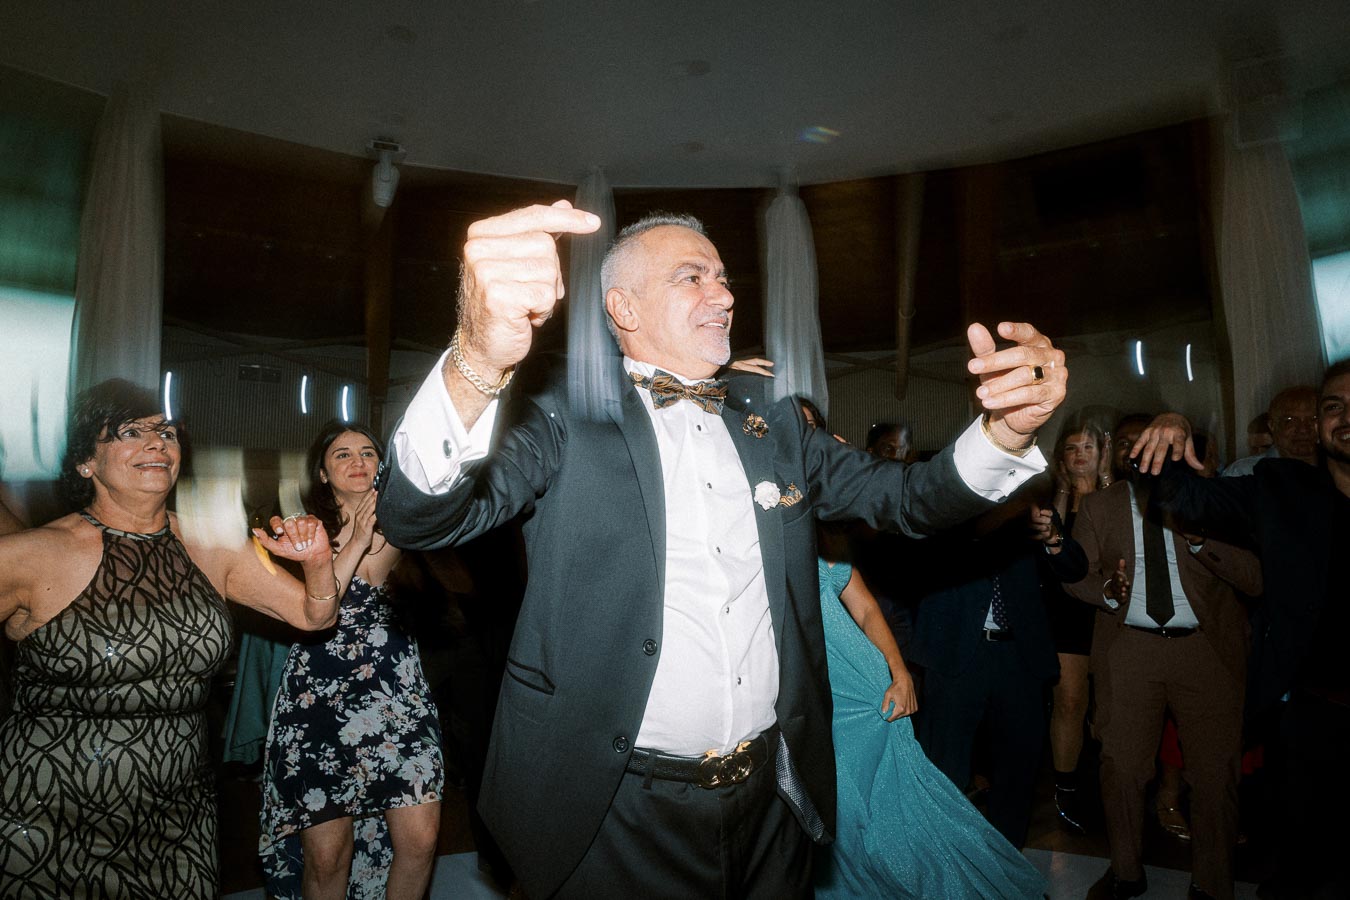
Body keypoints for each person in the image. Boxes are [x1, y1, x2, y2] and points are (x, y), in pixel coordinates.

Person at [375, 201, 1068, 899]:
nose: (726, 295)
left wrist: (1005, 434)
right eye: (693, 277)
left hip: (772, 799)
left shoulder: (773, 419)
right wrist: (477, 360)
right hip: (613, 805)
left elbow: (911, 499)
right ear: (625, 308)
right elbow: (419, 517)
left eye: (725, 278)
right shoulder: (561, 412)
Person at [0, 379, 340, 898]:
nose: (157, 443)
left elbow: (314, 619)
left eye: (166, 432)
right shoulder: (33, 554)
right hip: (47, 819)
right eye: (131, 432)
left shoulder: (214, 544)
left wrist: (317, 564)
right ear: (84, 461)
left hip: (179, 816)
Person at [1131, 358, 1350, 900]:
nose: (1344, 416)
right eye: (1334, 406)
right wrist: (1172, 427)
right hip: (1313, 715)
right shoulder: (1285, 491)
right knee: (1304, 859)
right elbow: (1184, 499)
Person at [1048, 452, 1260, 900]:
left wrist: (1201, 538)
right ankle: (1126, 871)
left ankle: (1213, 883)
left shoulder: (1214, 499)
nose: (1143, 461)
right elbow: (1076, 577)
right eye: (1132, 449)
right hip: (1129, 647)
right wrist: (1107, 590)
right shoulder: (1100, 506)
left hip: (1207, 650)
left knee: (1215, 774)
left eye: (1154, 450)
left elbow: (1256, 578)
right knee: (1120, 767)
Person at [258, 422, 444, 900]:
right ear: (322, 474)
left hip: (397, 696)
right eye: (342, 455)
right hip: (319, 698)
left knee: (420, 842)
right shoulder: (304, 532)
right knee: (327, 857)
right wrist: (357, 537)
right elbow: (321, 608)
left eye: (367, 452)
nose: (358, 461)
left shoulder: (404, 523)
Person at [814, 550, 1045, 898]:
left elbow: (866, 609)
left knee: (895, 809)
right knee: (839, 818)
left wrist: (899, 671)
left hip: (865, 694)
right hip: (813, 697)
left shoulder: (821, 544)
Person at [1032, 412, 1111, 834]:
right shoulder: (1049, 500)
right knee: (1070, 703)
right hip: (1063, 615)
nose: (1080, 455)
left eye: (1088, 447)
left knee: (1109, 709)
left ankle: (1112, 786)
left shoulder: (1119, 499)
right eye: (1071, 447)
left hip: (1110, 612)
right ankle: (1065, 788)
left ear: (1102, 454)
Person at [1224, 386, 1318, 476]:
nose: (1303, 429)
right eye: (1290, 420)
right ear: (1272, 426)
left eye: (1313, 419)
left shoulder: (1331, 472)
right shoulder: (1243, 472)